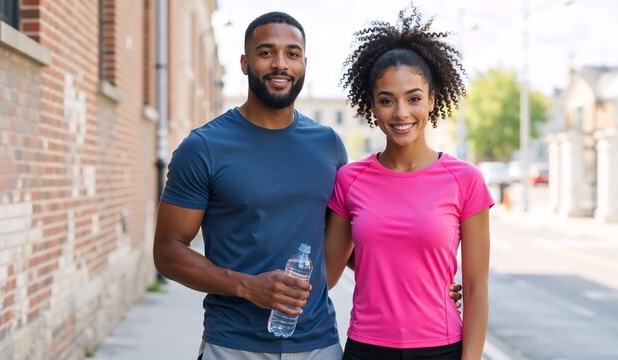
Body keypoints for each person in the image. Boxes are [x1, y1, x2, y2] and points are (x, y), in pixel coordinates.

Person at [153, 11, 462, 360]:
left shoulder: (327, 144)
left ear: (304, 63)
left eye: (292, 53)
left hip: (319, 345)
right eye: (266, 52)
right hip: (233, 346)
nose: (280, 64)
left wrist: (425, 282)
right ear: (244, 62)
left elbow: (352, 240)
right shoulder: (204, 147)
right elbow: (167, 252)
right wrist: (246, 286)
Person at [324, 5, 493, 360]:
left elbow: (477, 290)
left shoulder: (465, 181)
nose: (401, 113)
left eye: (414, 98)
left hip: (441, 349)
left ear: (432, 100)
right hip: (366, 349)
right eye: (387, 101)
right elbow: (327, 273)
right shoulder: (349, 180)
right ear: (372, 106)